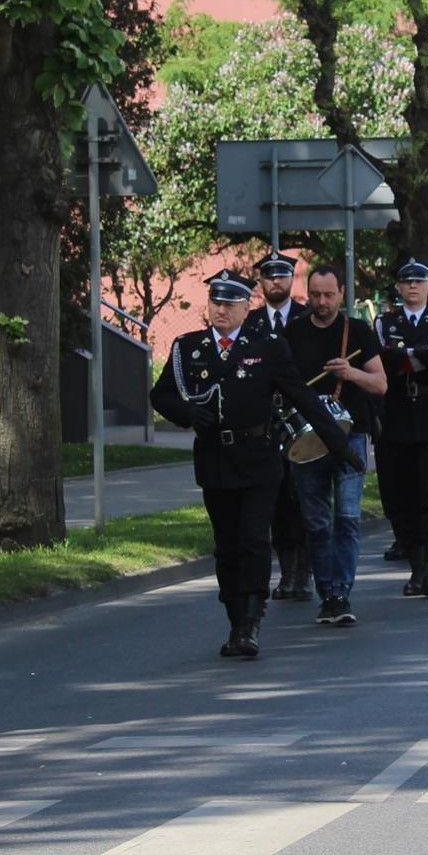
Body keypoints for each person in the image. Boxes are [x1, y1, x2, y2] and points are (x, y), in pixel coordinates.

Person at [150, 270, 358, 661]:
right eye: (216, 302)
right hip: (215, 460)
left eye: (230, 303)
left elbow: (302, 397)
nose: (221, 310)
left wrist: (339, 444)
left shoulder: (267, 346)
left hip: (260, 458)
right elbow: (159, 395)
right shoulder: (188, 348)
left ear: (248, 307)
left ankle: (250, 620)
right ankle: (234, 615)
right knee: (227, 545)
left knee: (253, 539)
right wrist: (189, 413)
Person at [283, 264, 387, 628]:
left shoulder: (357, 330)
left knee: (347, 518)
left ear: (342, 294)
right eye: (315, 295)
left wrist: (350, 372)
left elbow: (380, 384)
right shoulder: (293, 331)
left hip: (351, 436)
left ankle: (340, 591)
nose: (322, 302)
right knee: (316, 522)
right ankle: (327, 591)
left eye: (329, 295)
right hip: (307, 440)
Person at [374, 260, 428, 599]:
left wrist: (412, 358)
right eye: (405, 281)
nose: (412, 286)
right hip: (397, 414)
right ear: (398, 287)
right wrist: (417, 357)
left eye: (419, 281)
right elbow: (382, 362)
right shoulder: (386, 322)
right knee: (401, 496)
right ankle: (413, 564)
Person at [248, 251, 312, 602]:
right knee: (276, 499)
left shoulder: (306, 317)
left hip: (301, 419)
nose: (276, 281)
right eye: (269, 276)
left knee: (301, 495)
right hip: (266, 422)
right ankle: (286, 571)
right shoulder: (252, 321)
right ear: (261, 282)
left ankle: (304, 571)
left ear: (292, 280)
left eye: (282, 276)